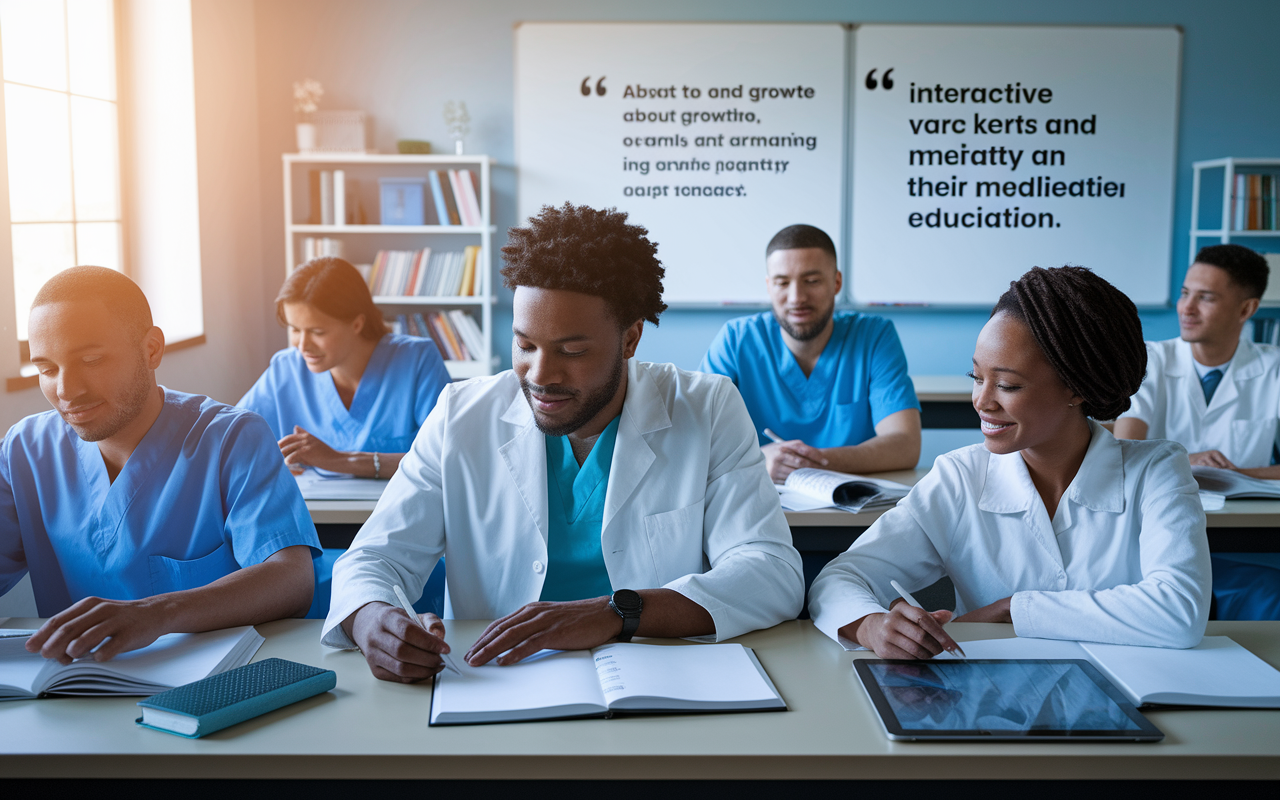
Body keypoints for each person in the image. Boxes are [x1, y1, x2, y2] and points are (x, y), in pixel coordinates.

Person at [323, 203, 805, 682]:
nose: (540, 375)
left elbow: (770, 572)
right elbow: (374, 557)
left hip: (658, 681)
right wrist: (373, 620)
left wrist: (617, 613)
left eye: (572, 351)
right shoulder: (460, 415)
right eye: (525, 345)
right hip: (496, 685)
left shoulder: (707, 406)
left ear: (631, 338)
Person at [808, 266, 1211, 658]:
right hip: (990, 705)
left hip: (1133, 696)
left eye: (1007, 385)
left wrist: (1015, 610)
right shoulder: (960, 478)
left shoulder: (1156, 470)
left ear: (1076, 388)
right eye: (975, 376)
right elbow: (840, 578)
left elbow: (1180, 611)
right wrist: (870, 624)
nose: (982, 402)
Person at [0, 267, 319, 663]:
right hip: (71, 690)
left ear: (151, 349)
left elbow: (293, 579)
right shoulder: (24, 450)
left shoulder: (231, 439)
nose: (67, 390)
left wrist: (159, 613)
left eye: (92, 359)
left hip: (212, 687)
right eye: (47, 370)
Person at [1114, 244, 1280, 619]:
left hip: (1237, 536)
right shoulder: (1152, 359)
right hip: (1153, 530)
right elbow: (1124, 445)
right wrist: (1185, 461)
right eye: (1185, 293)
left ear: (1246, 309)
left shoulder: (1274, 368)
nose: (1186, 308)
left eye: (1205, 298)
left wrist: (1235, 474)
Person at [699, 224, 920, 483]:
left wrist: (814, 462)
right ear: (769, 287)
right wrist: (758, 461)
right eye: (782, 282)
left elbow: (905, 445)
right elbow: (696, 439)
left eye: (812, 281)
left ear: (836, 282)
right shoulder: (736, 339)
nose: (796, 297)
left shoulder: (874, 336)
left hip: (851, 510)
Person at [238, 257, 451, 479]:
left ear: (357, 324)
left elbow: (446, 458)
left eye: (317, 332)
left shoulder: (417, 361)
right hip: (314, 512)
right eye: (294, 329)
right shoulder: (285, 369)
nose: (302, 346)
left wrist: (340, 461)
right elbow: (232, 441)